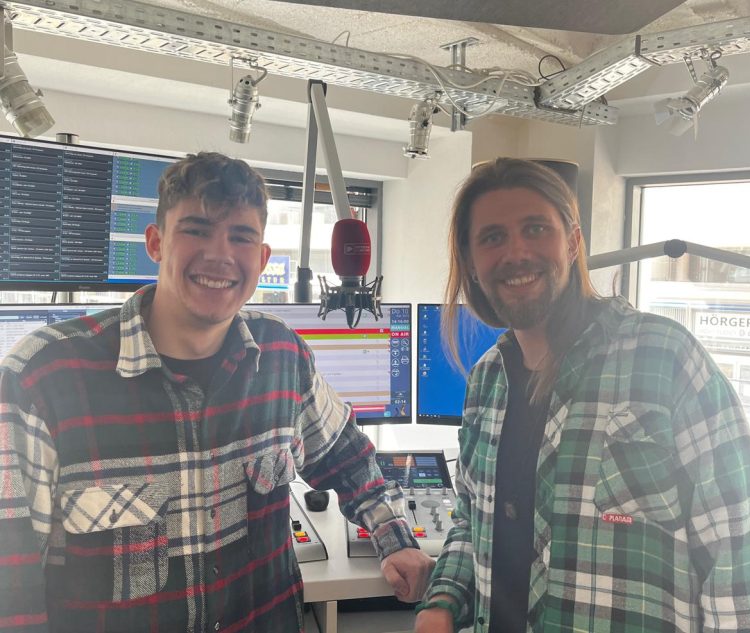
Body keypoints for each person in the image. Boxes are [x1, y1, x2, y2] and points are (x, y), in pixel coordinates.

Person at [0, 151, 434, 632]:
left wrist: (394, 537)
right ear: (155, 242)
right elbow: (11, 588)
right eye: (197, 230)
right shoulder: (42, 380)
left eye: (241, 236)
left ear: (262, 258)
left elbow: (347, 457)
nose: (220, 255)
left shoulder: (282, 356)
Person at [415, 158, 750, 632]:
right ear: (473, 266)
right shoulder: (485, 383)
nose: (516, 252)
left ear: (573, 241)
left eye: (536, 228)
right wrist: (441, 602)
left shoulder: (666, 359)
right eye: (493, 237)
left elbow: (742, 555)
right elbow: (469, 520)